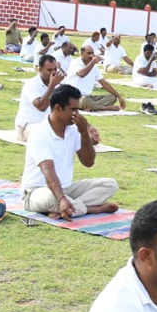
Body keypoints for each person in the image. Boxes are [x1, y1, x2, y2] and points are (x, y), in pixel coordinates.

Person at [20, 84, 119, 218]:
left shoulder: (73, 130)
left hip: (67, 189)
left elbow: (88, 162)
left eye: (78, 110)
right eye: (73, 109)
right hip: (36, 193)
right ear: (58, 108)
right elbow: (48, 172)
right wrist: (61, 199)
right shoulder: (40, 133)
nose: (76, 114)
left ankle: (67, 208)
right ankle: (91, 209)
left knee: (110, 184)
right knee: (52, 198)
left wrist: (84, 132)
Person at [14, 54, 65, 141]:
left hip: (49, 125)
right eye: (49, 70)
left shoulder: (57, 86)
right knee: (43, 134)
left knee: (75, 133)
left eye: (55, 69)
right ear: (40, 69)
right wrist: (52, 86)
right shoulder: (31, 84)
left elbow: (66, 110)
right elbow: (41, 106)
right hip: (27, 126)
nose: (54, 73)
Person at [65, 44, 127, 111]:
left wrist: (119, 96)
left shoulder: (93, 66)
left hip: (89, 97)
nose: (91, 56)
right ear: (82, 53)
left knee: (112, 97)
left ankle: (92, 107)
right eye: (88, 53)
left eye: (92, 53)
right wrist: (93, 62)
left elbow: (103, 83)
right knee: (84, 100)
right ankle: (105, 108)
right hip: (74, 97)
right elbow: (81, 74)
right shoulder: (75, 63)